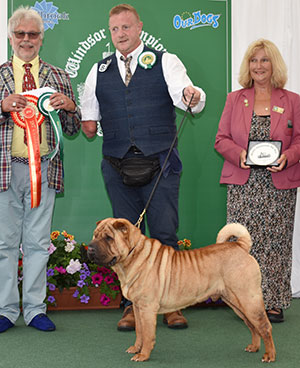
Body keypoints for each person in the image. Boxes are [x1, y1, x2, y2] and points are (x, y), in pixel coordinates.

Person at [81, 3, 206, 331]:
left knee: (165, 235)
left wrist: (193, 94)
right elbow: (89, 121)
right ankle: (130, 307)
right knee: (121, 242)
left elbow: (188, 98)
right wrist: (81, 117)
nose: (120, 34)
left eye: (126, 27)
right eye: (114, 30)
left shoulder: (166, 61)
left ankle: (172, 306)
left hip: (159, 162)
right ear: (110, 34)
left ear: (139, 28)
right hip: (117, 165)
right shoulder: (99, 70)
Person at [0, 6, 81, 333]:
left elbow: (74, 129)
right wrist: (2, 106)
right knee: (4, 244)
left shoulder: (59, 76)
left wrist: (71, 106)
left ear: (41, 39)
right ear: (11, 37)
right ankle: (5, 310)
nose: (26, 40)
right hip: (5, 171)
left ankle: (34, 310)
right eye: (20, 34)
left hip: (44, 172)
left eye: (32, 34)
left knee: (37, 243)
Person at [215, 39, 300, 323]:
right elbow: (221, 140)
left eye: (264, 60)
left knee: (276, 243)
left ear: (274, 65)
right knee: (241, 246)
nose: (258, 66)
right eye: (254, 60)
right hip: (243, 184)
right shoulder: (234, 99)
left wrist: (288, 156)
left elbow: (299, 139)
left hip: (279, 185)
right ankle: (243, 301)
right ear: (247, 66)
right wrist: (239, 154)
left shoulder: (292, 100)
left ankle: (273, 302)